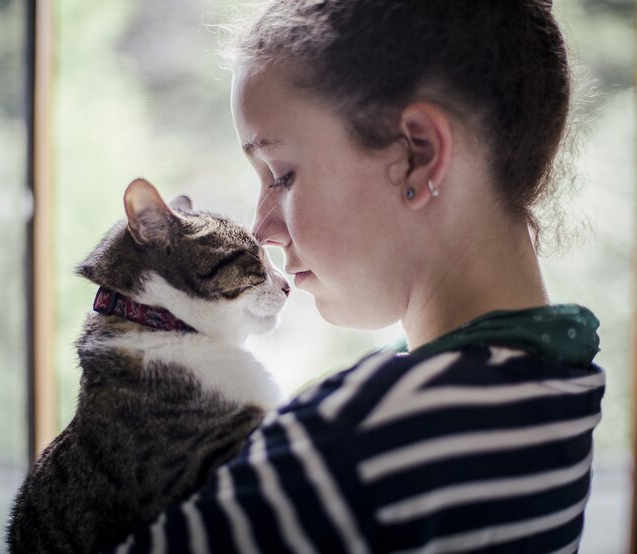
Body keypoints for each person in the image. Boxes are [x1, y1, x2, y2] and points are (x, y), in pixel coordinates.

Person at [107, 1, 605, 552]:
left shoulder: (361, 437)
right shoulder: (564, 377)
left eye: (282, 175)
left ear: (418, 154)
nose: (262, 228)